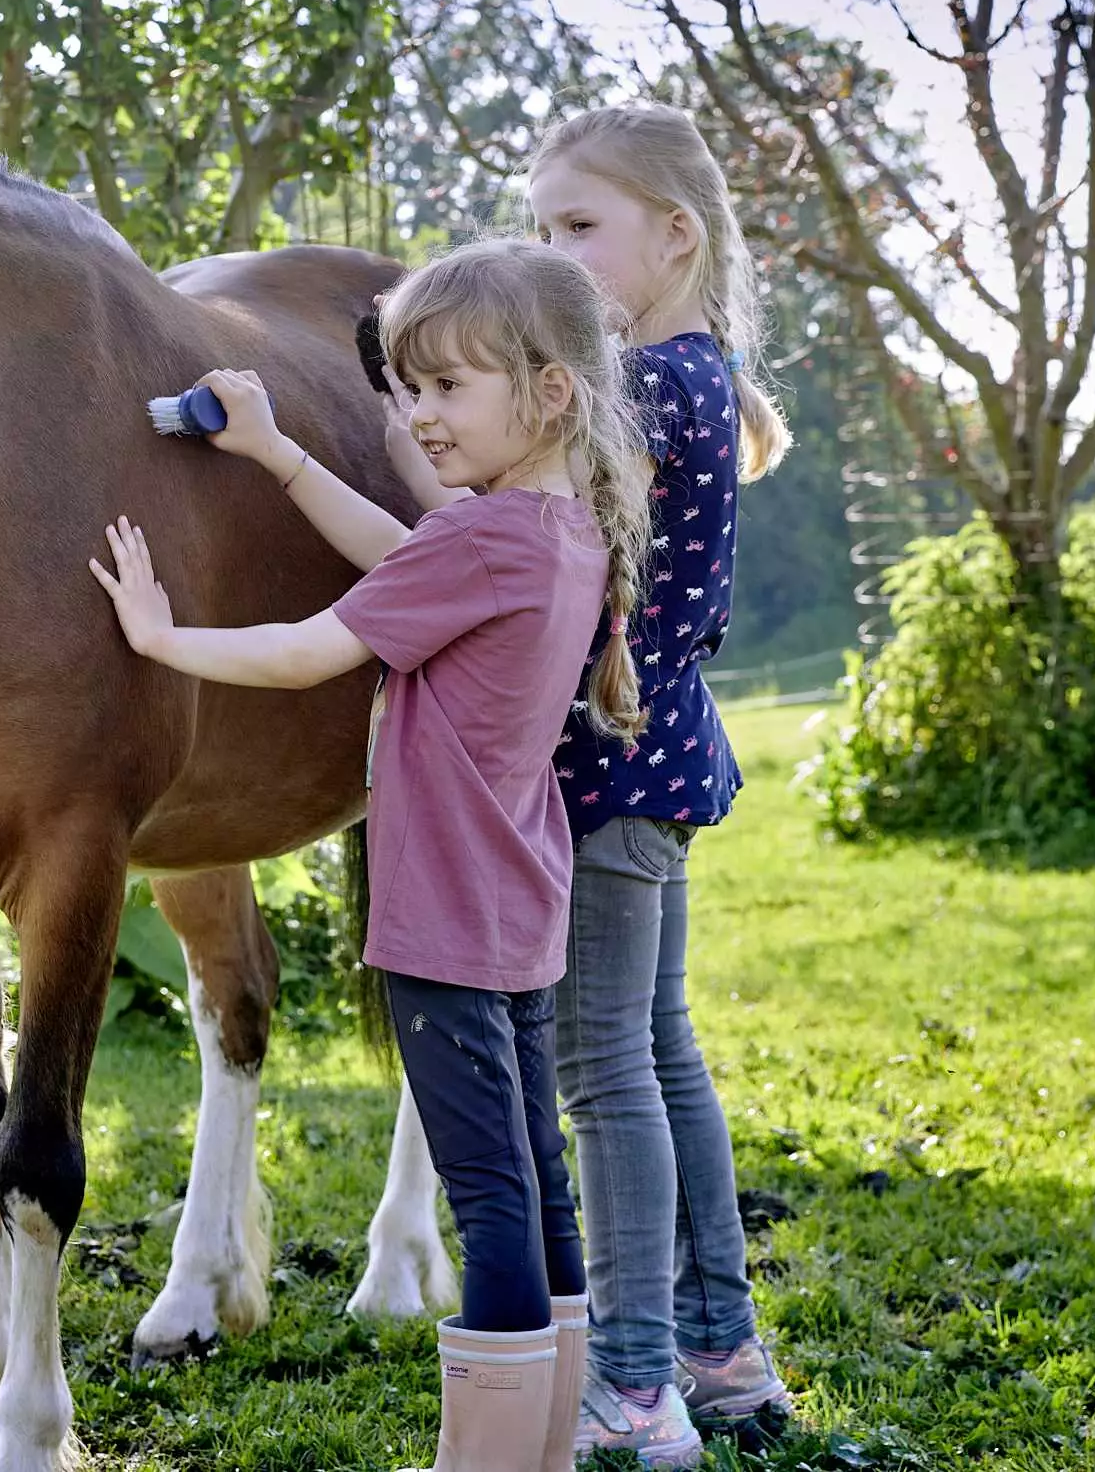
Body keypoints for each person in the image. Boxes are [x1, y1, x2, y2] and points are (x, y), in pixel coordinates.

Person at [89, 239, 650, 1472]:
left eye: (448, 390)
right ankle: (545, 1446)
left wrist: (161, 635)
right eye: (413, 388)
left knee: (491, 1196)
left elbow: (306, 649)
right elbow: (407, 558)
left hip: (443, 922)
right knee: (535, 1179)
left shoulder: (481, 542)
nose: (422, 418)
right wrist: (281, 454)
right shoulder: (558, 533)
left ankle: (487, 1459)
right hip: (520, 912)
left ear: (548, 393)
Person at [382, 104, 795, 1463]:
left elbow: (513, 532)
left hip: (610, 769)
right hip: (666, 751)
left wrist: (410, 435)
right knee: (661, 1056)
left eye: (578, 229)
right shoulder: (700, 368)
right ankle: (719, 1347)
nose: (554, 251)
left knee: (604, 1072)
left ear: (675, 235)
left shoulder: (646, 388)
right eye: (543, 226)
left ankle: (631, 1375)